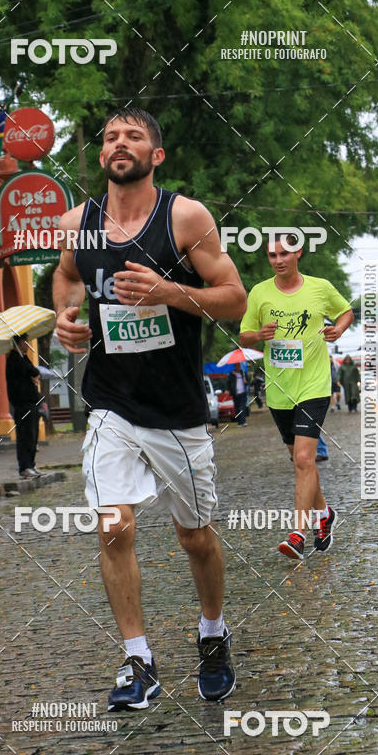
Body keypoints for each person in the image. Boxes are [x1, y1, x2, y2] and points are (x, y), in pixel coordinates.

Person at [53, 107, 247, 710]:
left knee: (194, 536)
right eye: (111, 136)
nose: (120, 143)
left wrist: (169, 292)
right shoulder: (77, 223)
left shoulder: (185, 217)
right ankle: (138, 660)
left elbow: (234, 299)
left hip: (177, 410)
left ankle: (212, 633)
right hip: (111, 403)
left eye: (134, 136)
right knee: (114, 527)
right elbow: (66, 276)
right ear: (102, 153)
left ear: (155, 155)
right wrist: (65, 316)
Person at [239, 233, 353, 560]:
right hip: (279, 389)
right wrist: (258, 335)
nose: (278, 260)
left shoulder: (320, 288)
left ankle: (297, 534)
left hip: (314, 385)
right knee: (300, 461)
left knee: (304, 459)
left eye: (284, 254)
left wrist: (339, 329)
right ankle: (324, 513)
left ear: (298, 253)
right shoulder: (260, 292)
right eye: (272, 255)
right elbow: (244, 335)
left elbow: (346, 311)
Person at [5, 334, 42, 479]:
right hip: (22, 403)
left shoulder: (22, 358)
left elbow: (32, 370)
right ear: (19, 343)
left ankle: (31, 464)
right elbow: (33, 371)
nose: (27, 345)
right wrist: (32, 373)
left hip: (31, 402)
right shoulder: (14, 359)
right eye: (25, 342)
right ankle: (25, 466)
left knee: (32, 435)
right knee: (25, 435)